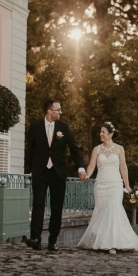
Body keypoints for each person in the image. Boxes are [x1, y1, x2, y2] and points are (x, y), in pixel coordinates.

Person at [24, 99, 86, 251]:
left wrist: (81, 168)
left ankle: (52, 241)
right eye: (57, 109)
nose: (60, 112)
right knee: (38, 205)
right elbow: (29, 149)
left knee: (56, 207)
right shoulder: (35, 126)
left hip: (58, 172)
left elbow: (74, 148)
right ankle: (36, 238)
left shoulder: (64, 127)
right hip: (40, 171)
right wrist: (28, 170)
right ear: (49, 111)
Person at [77, 122, 138, 253]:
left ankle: (112, 244)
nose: (100, 134)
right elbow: (91, 166)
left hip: (115, 184)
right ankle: (101, 241)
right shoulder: (97, 149)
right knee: (101, 212)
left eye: (103, 132)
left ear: (110, 135)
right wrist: (87, 175)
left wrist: (127, 185)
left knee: (113, 209)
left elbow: (123, 167)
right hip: (101, 185)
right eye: (100, 132)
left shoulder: (119, 149)